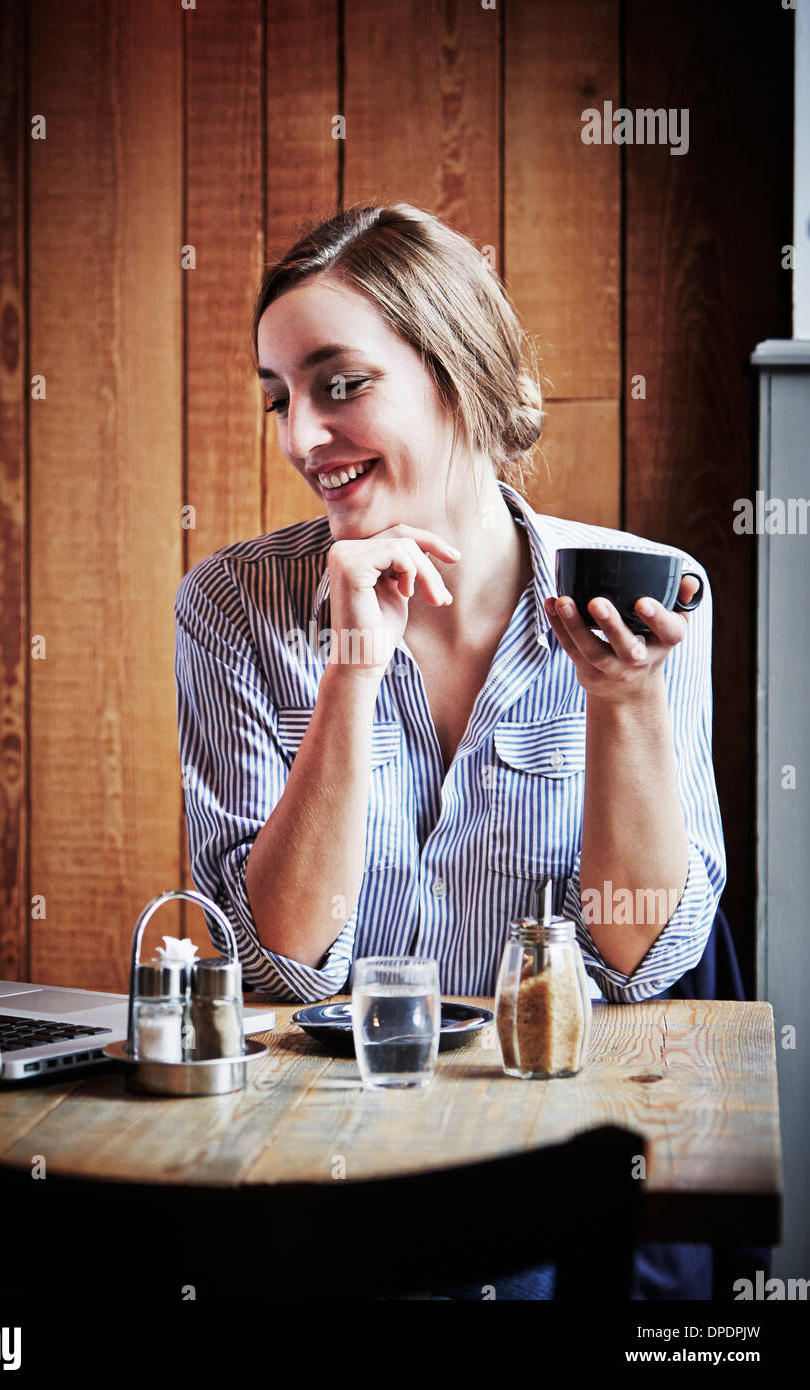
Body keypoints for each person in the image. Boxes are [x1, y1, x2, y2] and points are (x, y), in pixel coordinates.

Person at [174, 202, 726, 1299]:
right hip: (314, 1159)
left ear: (459, 373)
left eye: (338, 384)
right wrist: (350, 667)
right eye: (280, 398)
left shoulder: (645, 589)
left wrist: (622, 701)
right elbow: (278, 960)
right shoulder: (232, 606)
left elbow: (634, 959)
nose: (298, 437)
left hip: (546, 1144)